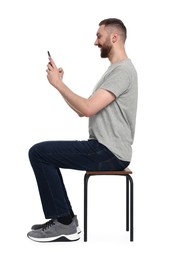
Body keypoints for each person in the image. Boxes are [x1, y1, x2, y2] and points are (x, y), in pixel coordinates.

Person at [27, 18, 138, 242]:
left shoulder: (123, 71)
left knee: (39, 153)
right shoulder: (115, 71)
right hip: (105, 149)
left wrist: (58, 83)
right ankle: (64, 219)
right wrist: (59, 84)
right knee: (40, 152)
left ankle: (64, 222)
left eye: (99, 36)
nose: (95, 42)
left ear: (114, 37)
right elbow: (83, 109)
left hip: (108, 152)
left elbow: (87, 109)